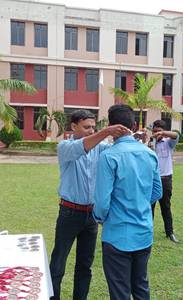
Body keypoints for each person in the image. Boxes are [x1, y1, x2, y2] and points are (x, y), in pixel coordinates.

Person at [49, 110, 129, 300]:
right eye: (86, 127)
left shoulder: (101, 148)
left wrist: (127, 137)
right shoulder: (65, 147)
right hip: (69, 212)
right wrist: (105, 131)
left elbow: (118, 151)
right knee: (58, 263)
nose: (90, 130)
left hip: (91, 216)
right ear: (73, 126)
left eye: (93, 127)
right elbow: (82, 146)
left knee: (85, 265)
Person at [94, 104, 162, 300]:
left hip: (117, 235)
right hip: (143, 231)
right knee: (141, 286)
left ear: (110, 126)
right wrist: (139, 203)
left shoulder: (109, 156)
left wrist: (101, 218)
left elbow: (101, 202)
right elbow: (157, 192)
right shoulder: (149, 153)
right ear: (133, 125)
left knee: (119, 292)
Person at [150, 119, 179, 243]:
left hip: (165, 179)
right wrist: (151, 141)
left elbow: (176, 135)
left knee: (166, 207)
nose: (156, 133)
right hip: (150, 179)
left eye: (159, 131)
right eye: (154, 131)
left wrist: (163, 134)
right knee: (149, 207)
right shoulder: (149, 144)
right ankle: (147, 232)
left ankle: (170, 232)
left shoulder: (168, 143)